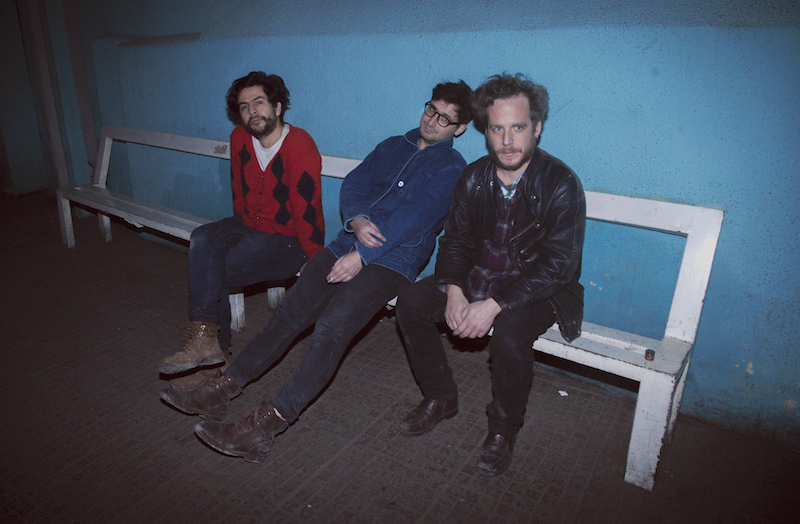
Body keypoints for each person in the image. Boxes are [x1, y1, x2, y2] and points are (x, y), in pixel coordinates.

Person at [160, 80, 475, 462]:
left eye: (445, 119)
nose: (432, 120)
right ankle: (223, 390)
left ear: (460, 128)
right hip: (346, 244)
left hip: (394, 261)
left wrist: (361, 256)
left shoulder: (451, 168)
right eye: (431, 109)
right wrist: (356, 218)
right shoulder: (394, 145)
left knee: (331, 327)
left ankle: (267, 425)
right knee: (289, 313)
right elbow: (356, 182)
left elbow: (414, 219)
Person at [394, 73, 586, 477]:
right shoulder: (474, 176)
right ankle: (440, 397)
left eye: (518, 127)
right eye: (497, 129)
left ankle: (502, 430)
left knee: (510, 337)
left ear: (536, 128)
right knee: (411, 302)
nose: (507, 140)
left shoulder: (561, 183)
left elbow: (558, 266)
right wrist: (454, 290)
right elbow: (455, 241)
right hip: (480, 277)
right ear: (486, 131)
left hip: (537, 289)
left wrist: (495, 305)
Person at [157, 72, 324, 387]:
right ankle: (206, 345)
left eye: (259, 103)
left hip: (288, 239)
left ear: (277, 106)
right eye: (245, 107)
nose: (252, 112)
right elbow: (240, 192)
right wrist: (241, 230)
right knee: (202, 238)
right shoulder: (239, 138)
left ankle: (214, 355)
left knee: (214, 269)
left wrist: (314, 256)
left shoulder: (299, 145)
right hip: (250, 225)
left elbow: (308, 207)